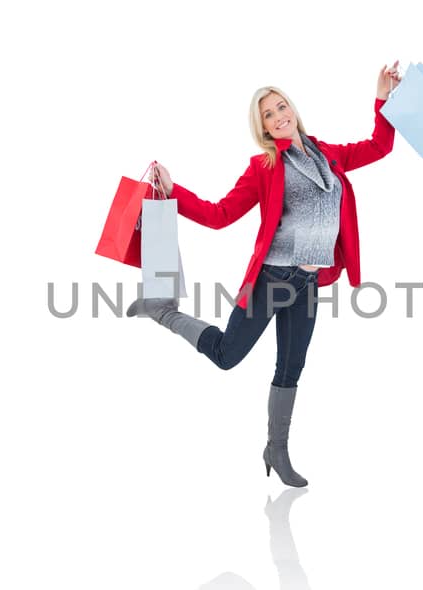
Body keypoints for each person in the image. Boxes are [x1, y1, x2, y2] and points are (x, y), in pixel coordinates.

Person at [128, 62, 403, 487]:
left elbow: (380, 146)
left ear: (292, 108)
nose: (279, 117)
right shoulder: (265, 166)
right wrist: (174, 189)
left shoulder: (328, 154)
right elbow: (219, 215)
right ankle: (162, 310)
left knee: (291, 367)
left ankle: (277, 449)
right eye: (268, 115)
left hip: (308, 284)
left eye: (280, 107)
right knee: (227, 357)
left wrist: (383, 97)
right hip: (273, 282)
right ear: (262, 127)